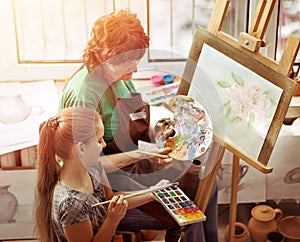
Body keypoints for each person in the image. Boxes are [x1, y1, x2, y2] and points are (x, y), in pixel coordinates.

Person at [59, 10, 218, 241]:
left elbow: (134, 120)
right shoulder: (85, 95)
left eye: (136, 59)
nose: (134, 69)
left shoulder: (120, 74)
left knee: (207, 182)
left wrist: (161, 139)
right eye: (127, 63)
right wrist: (142, 155)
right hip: (101, 183)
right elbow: (87, 166)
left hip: (130, 161)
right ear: (105, 57)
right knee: (187, 214)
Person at [34, 106, 180, 242]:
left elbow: (110, 198)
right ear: (81, 148)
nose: (104, 144)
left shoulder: (92, 167)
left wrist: (152, 193)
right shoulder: (72, 204)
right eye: (99, 140)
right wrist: (112, 220)